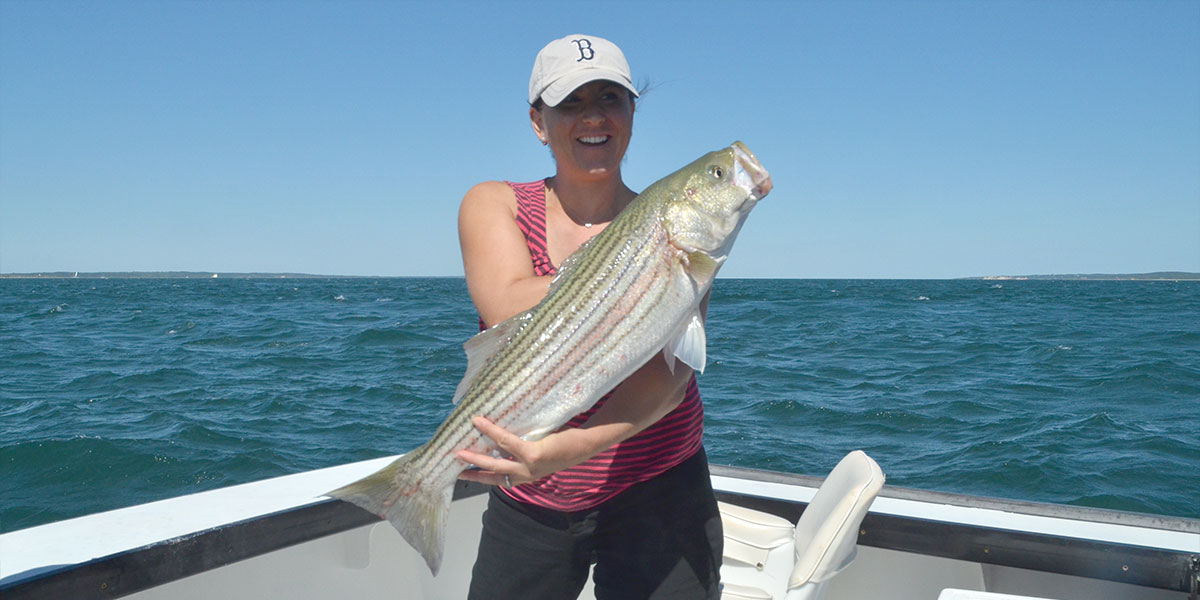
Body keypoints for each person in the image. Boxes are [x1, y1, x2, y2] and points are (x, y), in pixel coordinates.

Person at [455, 34, 723, 599]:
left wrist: (566, 451)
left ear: (631, 112)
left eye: (610, 98)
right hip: (532, 503)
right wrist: (631, 269)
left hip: (664, 490)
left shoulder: (671, 218)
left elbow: (672, 376)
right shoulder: (495, 202)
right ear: (537, 121)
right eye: (571, 103)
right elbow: (504, 302)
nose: (593, 117)